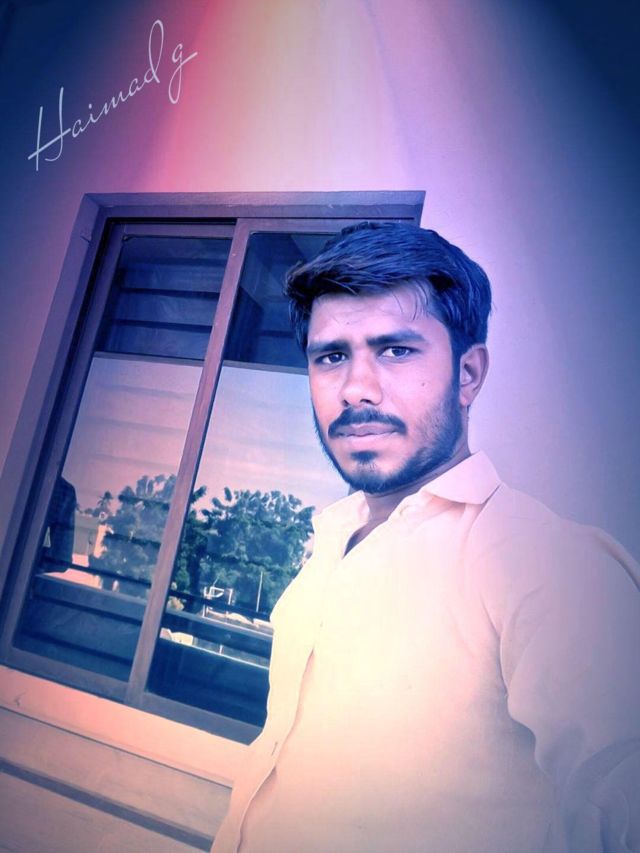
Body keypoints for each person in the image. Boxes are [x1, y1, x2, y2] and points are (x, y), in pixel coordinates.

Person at [212, 222, 640, 853]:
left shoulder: (548, 566)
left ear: (468, 374)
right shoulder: (333, 534)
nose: (356, 388)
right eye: (331, 356)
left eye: (395, 350)